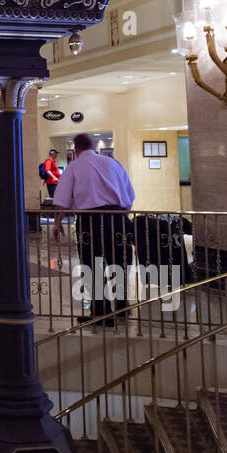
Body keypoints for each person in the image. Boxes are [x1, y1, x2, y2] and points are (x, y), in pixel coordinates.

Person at [52, 133, 135, 328]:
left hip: (91, 220)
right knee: (119, 262)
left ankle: (101, 312)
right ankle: (122, 307)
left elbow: (62, 199)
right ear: (93, 146)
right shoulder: (114, 163)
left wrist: (58, 223)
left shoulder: (74, 166)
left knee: (92, 265)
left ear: (75, 149)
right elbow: (130, 195)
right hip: (118, 218)